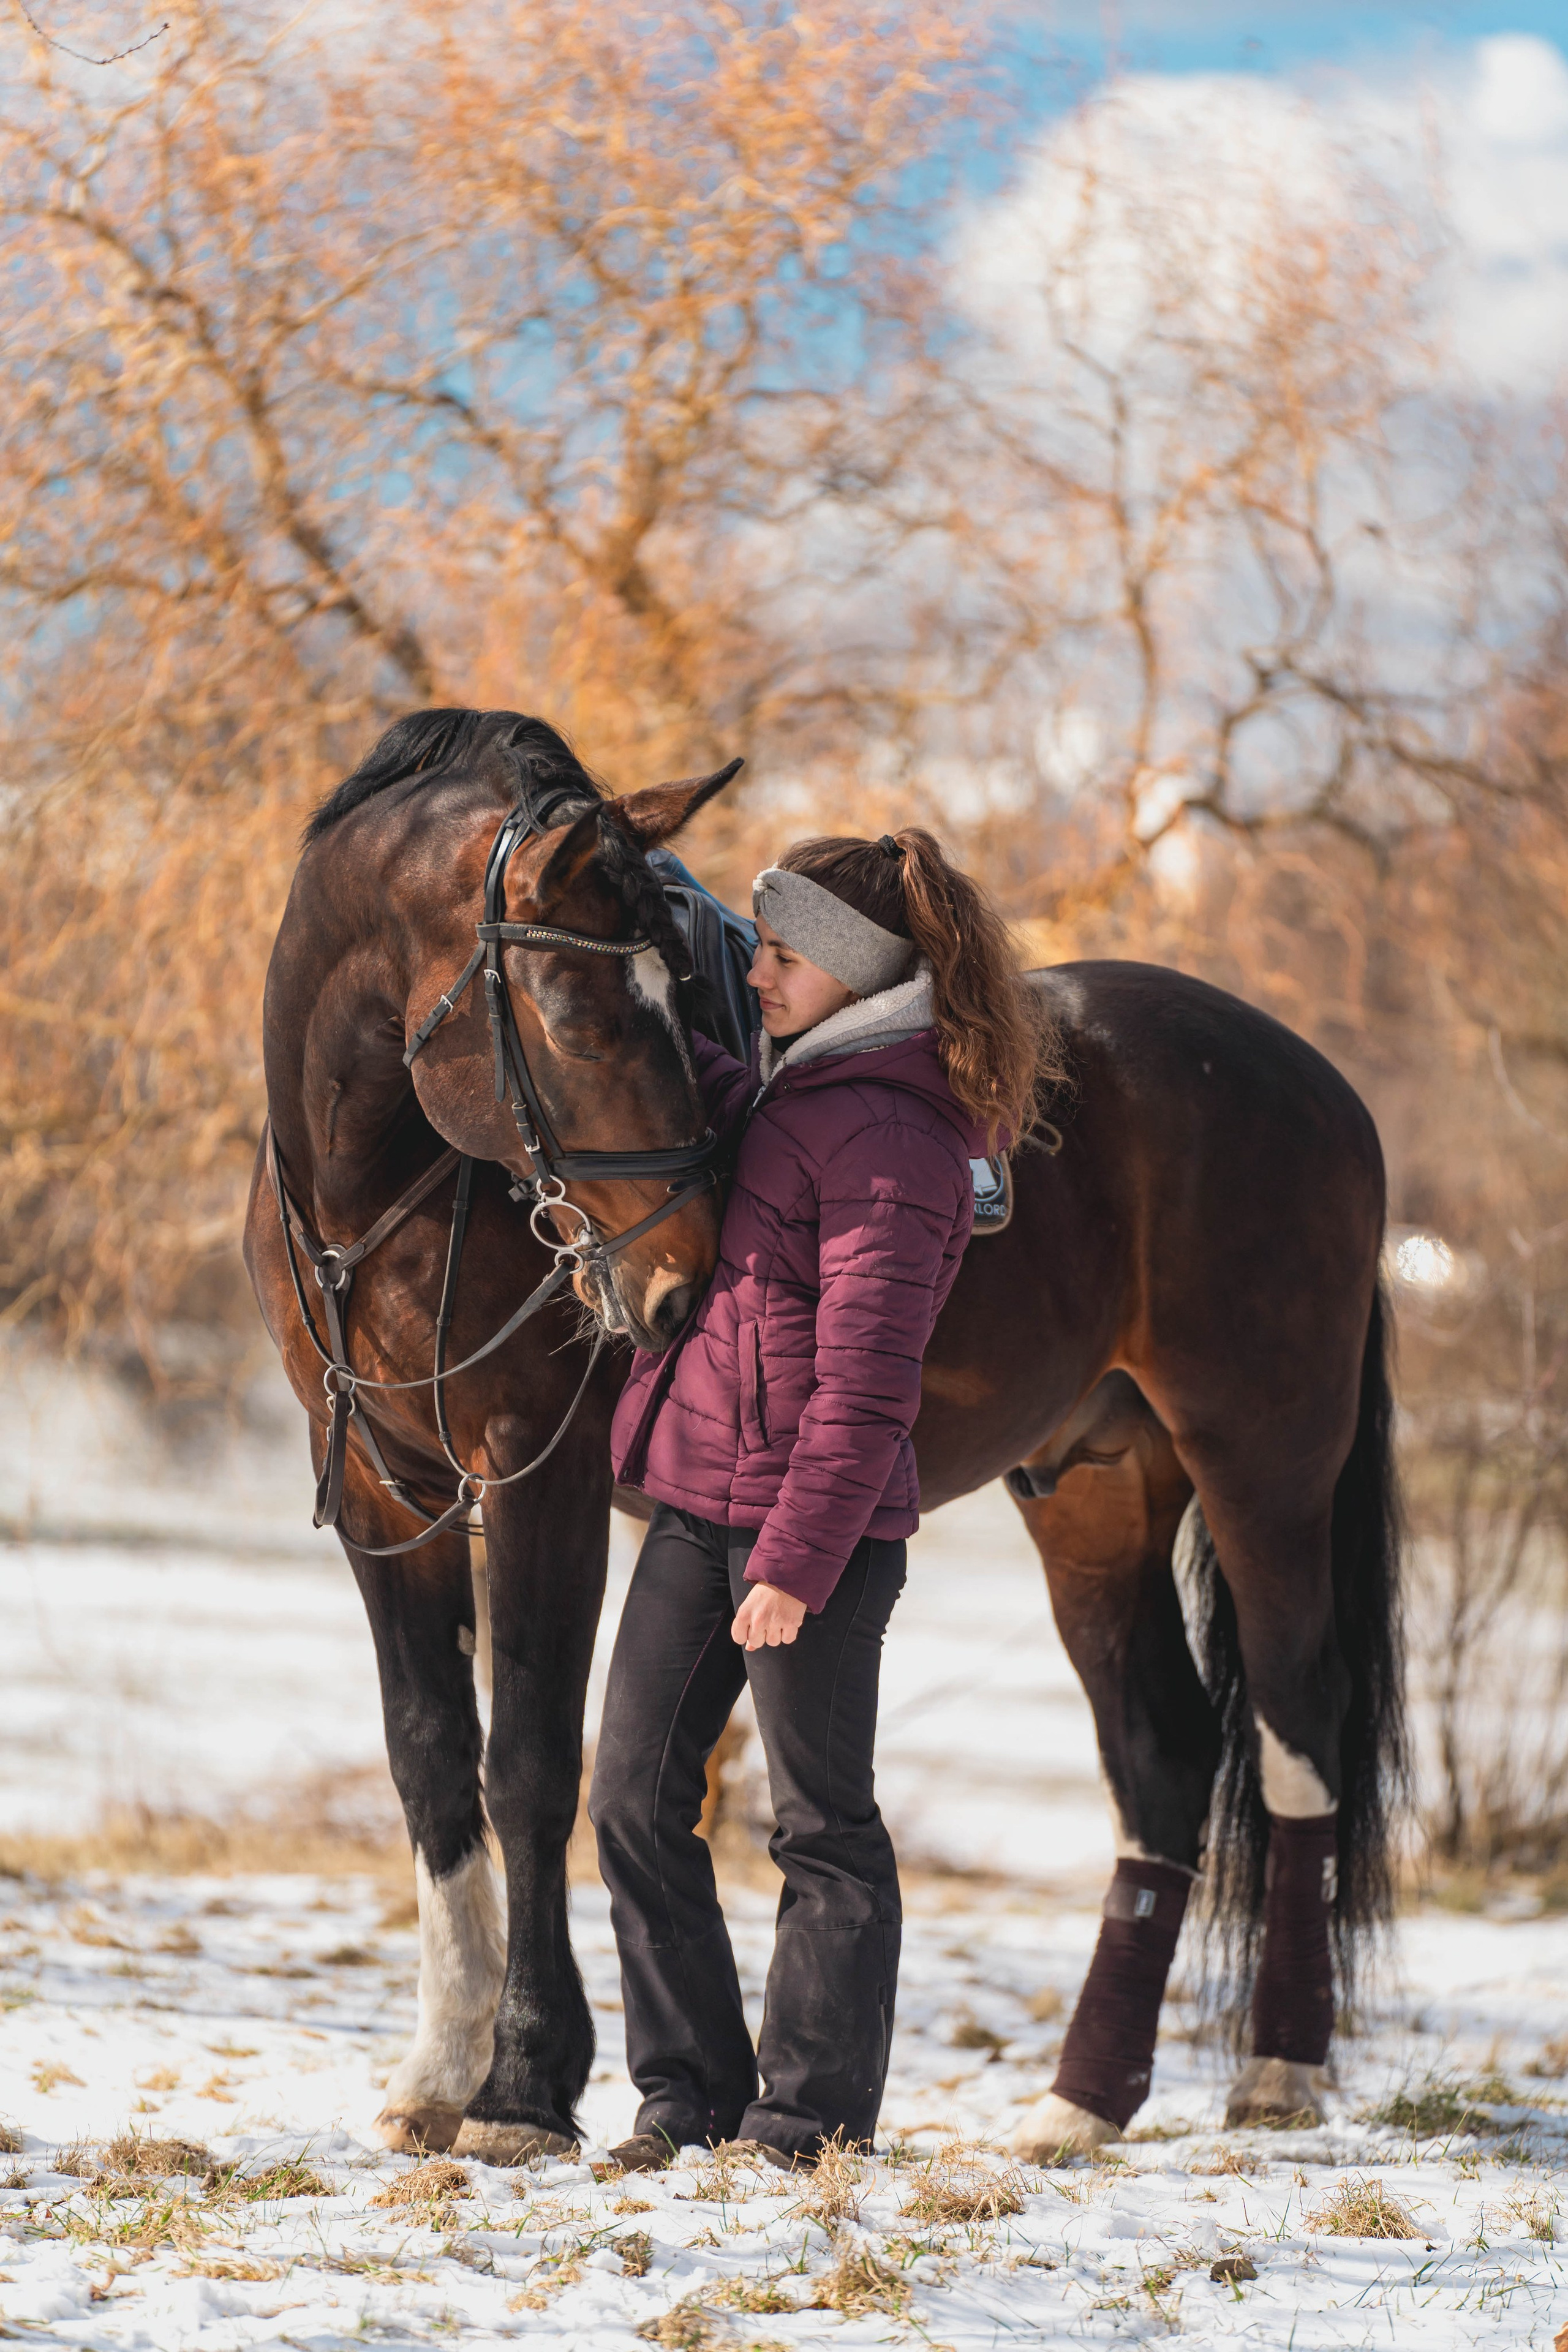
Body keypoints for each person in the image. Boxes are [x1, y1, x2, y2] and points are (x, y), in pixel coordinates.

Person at [589, 827, 1041, 2173]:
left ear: (857, 972)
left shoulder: (896, 1138)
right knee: (630, 1799)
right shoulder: (812, 1091)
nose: (758, 973)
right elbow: (756, 1134)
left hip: (815, 1537)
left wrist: (792, 1561)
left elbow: (868, 1386)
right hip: (698, 1507)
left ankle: (804, 2124)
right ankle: (687, 2097)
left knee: (821, 1828)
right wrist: (637, 1017)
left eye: (783, 955)